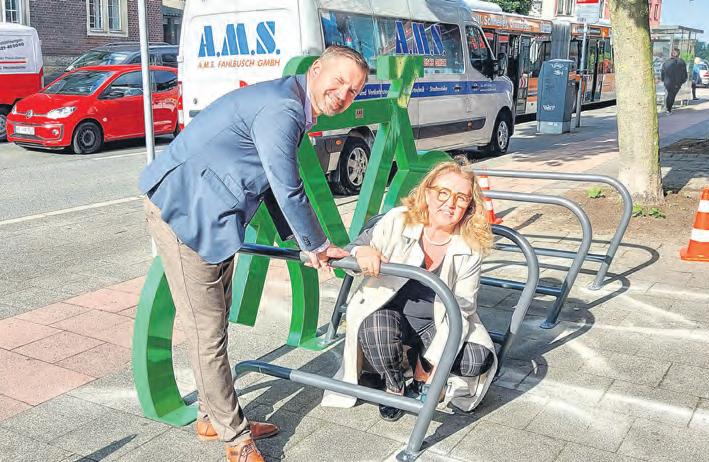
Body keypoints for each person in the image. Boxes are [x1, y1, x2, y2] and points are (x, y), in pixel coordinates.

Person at [139, 45, 368, 462]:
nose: (342, 94)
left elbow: (270, 183)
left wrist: (303, 243)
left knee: (215, 323)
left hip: (213, 215)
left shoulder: (291, 103)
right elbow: (287, 186)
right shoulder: (284, 108)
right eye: (338, 81)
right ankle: (237, 440)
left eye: (353, 91)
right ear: (317, 69)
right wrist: (316, 245)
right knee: (207, 333)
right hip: (186, 210)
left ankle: (212, 416)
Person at [321, 160, 497, 420]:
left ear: (469, 206)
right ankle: (393, 386)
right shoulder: (398, 220)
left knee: (477, 359)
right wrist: (362, 251)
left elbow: (462, 307)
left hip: (437, 322)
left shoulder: (470, 245)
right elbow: (351, 251)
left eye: (461, 198)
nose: (450, 203)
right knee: (376, 330)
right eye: (443, 193)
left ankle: (420, 369)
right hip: (389, 315)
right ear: (427, 192)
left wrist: (433, 367)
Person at [661, 48, 688, 114]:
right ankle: (668, 109)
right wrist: (683, 81)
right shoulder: (682, 62)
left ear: (671, 54)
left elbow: (662, 72)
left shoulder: (666, 62)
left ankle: (668, 108)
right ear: (678, 54)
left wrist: (663, 80)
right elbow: (684, 73)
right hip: (677, 83)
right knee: (672, 95)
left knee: (670, 94)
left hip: (668, 82)